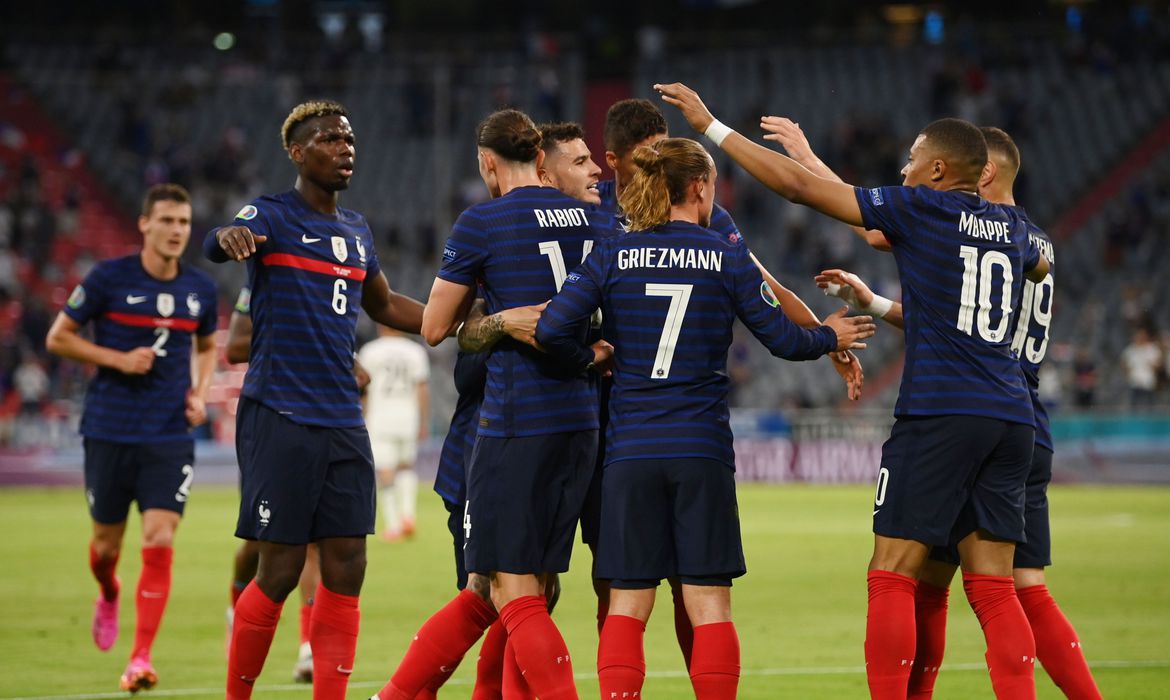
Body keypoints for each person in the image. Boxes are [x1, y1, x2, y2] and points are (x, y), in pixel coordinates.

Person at [655, 82, 1049, 699]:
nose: (904, 169)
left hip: (941, 413)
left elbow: (799, 190)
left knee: (890, 574)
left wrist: (711, 127)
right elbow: (1038, 265)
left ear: (938, 171)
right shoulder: (1014, 227)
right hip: (1012, 417)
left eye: (913, 159)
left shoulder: (923, 207)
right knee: (995, 590)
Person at [532, 137, 874, 698]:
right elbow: (782, 340)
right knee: (709, 604)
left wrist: (591, 356)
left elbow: (550, 330)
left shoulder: (613, 252)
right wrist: (828, 337)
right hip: (701, 448)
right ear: (697, 186)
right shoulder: (725, 254)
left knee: (627, 604)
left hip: (630, 450)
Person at [771, 121, 1102, 699]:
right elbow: (964, 302)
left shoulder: (955, 219)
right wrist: (875, 302)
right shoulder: (1031, 238)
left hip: (958, 408)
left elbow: (874, 228)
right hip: (1019, 418)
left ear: (982, 171)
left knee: (919, 579)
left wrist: (809, 161)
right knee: (988, 585)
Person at [373, 108, 615, 700]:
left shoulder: (483, 222)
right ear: (540, 157)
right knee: (531, 586)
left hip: (513, 422)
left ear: (487, 162)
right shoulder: (597, 219)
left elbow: (433, 328)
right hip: (582, 419)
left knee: (508, 588)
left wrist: (498, 319)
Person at [202, 99, 425, 700]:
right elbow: (217, 241)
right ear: (297, 153)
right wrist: (227, 235)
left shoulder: (356, 230)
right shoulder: (271, 214)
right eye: (329, 139)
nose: (344, 148)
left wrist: (454, 317)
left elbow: (384, 305)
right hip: (281, 413)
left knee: (348, 563)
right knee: (277, 570)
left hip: (343, 420)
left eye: (348, 138)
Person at [45, 183, 218, 692]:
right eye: (166, 221)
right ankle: (108, 590)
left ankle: (140, 658)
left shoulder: (200, 289)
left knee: (160, 536)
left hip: (168, 434)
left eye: (183, 222)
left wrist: (199, 393)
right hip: (109, 429)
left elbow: (207, 346)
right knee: (105, 548)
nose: (176, 231)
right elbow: (58, 337)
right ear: (144, 224)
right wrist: (117, 359)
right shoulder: (108, 278)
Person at [222, 286, 327, 684]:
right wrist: (299, 341)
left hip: (321, 417)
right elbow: (235, 348)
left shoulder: (334, 275)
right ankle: (236, 606)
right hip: (269, 425)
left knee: (312, 542)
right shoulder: (262, 282)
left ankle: (307, 647)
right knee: (259, 543)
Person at [358, 325, 430, 541]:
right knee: (406, 466)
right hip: (408, 416)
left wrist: (362, 416)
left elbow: (363, 388)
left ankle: (394, 526)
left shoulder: (370, 351)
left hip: (380, 416)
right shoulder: (415, 351)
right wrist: (423, 420)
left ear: (380, 325)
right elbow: (422, 389)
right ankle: (408, 515)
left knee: (385, 471)